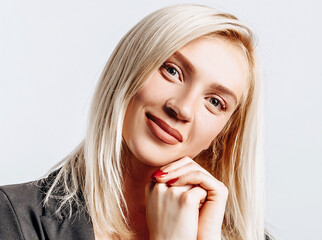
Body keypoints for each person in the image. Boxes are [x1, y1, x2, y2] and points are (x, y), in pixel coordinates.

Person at [0, 4, 270, 240]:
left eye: (214, 102)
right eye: (172, 71)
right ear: (128, 68)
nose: (182, 108)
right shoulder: (14, 218)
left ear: (224, 134)